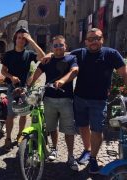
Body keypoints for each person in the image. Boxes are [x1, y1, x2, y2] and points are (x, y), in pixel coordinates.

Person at [71, 28, 127, 174]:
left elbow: (124, 73)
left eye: (97, 38)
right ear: (86, 42)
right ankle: (87, 150)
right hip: (80, 98)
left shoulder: (111, 54)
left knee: (96, 129)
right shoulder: (79, 53)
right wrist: (51, 54)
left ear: (102, 39)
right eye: (90, 39)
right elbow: (60, 56)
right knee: (83, 126)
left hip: (99, 100)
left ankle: (94, 159)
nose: (94, 42)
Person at [27, 35, 79, 171]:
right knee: (51, 127)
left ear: (65, 46)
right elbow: (36, 74)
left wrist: (63, 80)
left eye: (60, 45)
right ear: (52, 47)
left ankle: (71, 156)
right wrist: (27, 86)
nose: (58, 48)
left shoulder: (71, 58)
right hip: (48, 99)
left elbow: (74, 71)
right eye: (55, 45)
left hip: (66, 99)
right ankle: (54, 149)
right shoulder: (47, 60)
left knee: (69, 130)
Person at [1, 27, 45, 151]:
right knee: (10, 115)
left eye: (23, 38)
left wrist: (31, 40)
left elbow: (43, 57)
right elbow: (3, 71)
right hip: (11, 88)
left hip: (25, 88)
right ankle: (8, 138)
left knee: (24, 113)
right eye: (19, 38)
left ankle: (20, 135)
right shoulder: (8, 55)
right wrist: (11, 76)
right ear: (15, 39)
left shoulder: (29, 54)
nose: (21, 40)